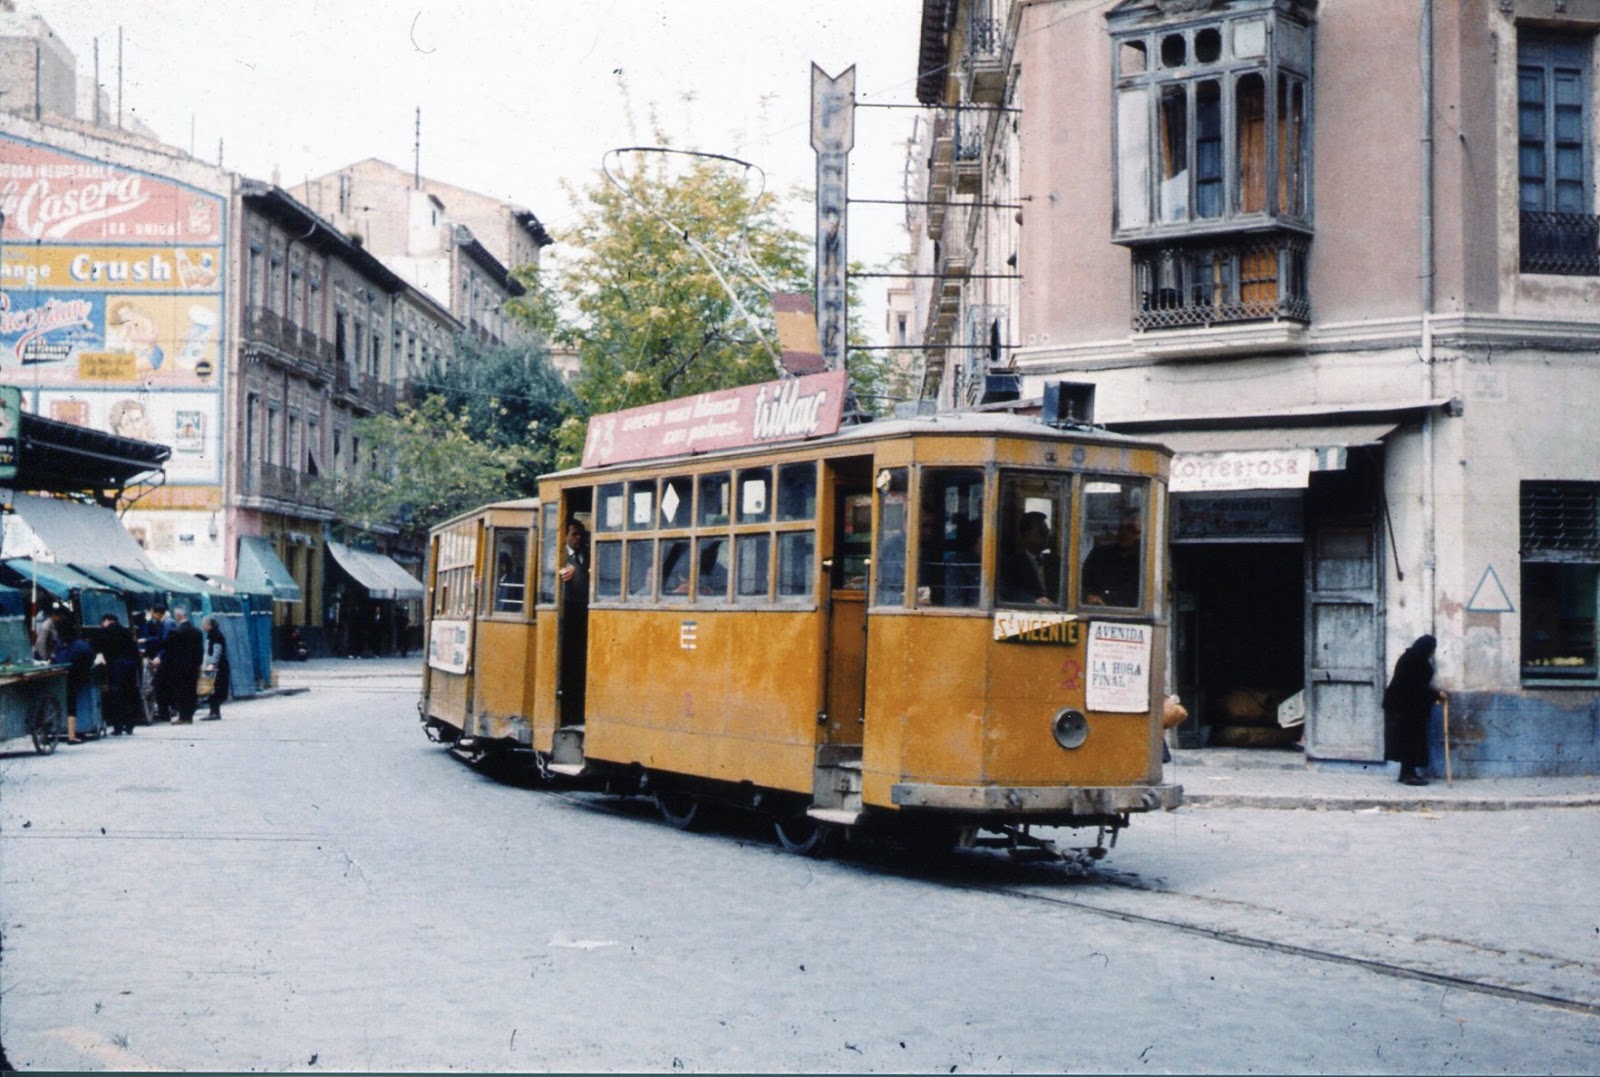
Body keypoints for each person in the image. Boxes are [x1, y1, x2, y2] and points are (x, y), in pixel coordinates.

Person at [1384, 634, 1446, 786]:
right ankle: (1409, 775)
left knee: (1408, 739)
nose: (1433, 653)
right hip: (1404, 706)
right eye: (1432, 649)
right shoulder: (1413, 660)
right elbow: (1415, 685)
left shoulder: (1413, 658)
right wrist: (1437, 694)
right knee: (1409, 740)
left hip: (1407, 705)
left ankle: (1405, 773)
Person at [557, 519, 590, 725]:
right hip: (566, 615)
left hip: (583, 613)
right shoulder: (558, 555)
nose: (579, 538)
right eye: (575, 534)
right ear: (566, 535)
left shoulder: (587, 555)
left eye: (581, 534)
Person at [998, 511, 1059, 605]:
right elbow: (1009, 592)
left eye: (1047, 532)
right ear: (1026, 535)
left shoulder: (1057, 562)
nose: (1047, 536)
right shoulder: (1012, 564)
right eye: (1041, 533)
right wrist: (1033, 602)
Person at [96, 614, 143, 736]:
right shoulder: (126, 632)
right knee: (129, 695)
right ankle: (130, 725)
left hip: (115, 668)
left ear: (106, 620)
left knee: (116, 697)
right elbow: (135, 651)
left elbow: (97, 648)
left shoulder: (105, 632)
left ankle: (118, 726)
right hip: (130, 668)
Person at [1081, 513, 1142, 607]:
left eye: (1130, 529)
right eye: (1121, 528)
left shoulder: (1144, 562)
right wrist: (1089, 596)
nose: (1124, 533)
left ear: (1140, 535)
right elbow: (1081, 585)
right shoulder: (1099, 555)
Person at [160, 605, 205, 724]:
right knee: (191, 691)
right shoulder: (197, 632)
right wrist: (198, 664)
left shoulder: (174, 632)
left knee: (180, 691)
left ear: (179, 616)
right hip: (193, 667)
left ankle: (183, 716)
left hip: (178, 668)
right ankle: (188, 715)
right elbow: (200, 651)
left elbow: (166, 648)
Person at [140, 604, 176, 721]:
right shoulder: (165, 623)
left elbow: (166, 643)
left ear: (157, 613)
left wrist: (160, 656)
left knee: (161, 684)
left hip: (166, 659)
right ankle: (166, 712)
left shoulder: (167, 624)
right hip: (166, 657)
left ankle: (165, 712)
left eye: (152, 613)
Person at [200, 615, 230, 720]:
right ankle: (214, 712)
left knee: (215, 689)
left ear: (209, 625)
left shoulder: (215, 635)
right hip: (215, 666)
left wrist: (212, 664)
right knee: (213, 689)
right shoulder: (213, 634)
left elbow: (217, 651)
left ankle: (214, 712)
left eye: (203, 625)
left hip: (217, 667)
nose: (202, 627)